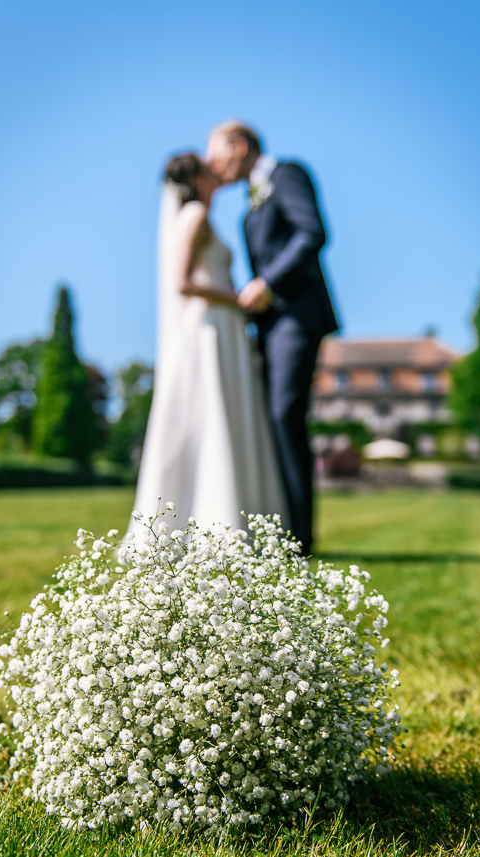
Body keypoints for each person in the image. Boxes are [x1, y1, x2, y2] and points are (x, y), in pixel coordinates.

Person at [125, 153, 289, 537]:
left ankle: (224, 512)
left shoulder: (200, 216)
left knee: (222, 414)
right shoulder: (195, 215)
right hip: (212, 326)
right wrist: (237, 300)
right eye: (206, 167)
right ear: (196, 179)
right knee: (213, 413)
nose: (216, 170)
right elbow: (182, 282)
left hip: (222, 325)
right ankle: (218, 517)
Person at [206, 122, 339, 555]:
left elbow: (312, 233)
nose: (214, 165)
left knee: (285, 415)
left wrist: (268, 283)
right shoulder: (251, 198)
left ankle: (300, 536)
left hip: (298, 318)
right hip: (271, 325)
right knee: (271, 420)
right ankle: (281, 528)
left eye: (218, 155)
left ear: (240, 147)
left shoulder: (286, 174)